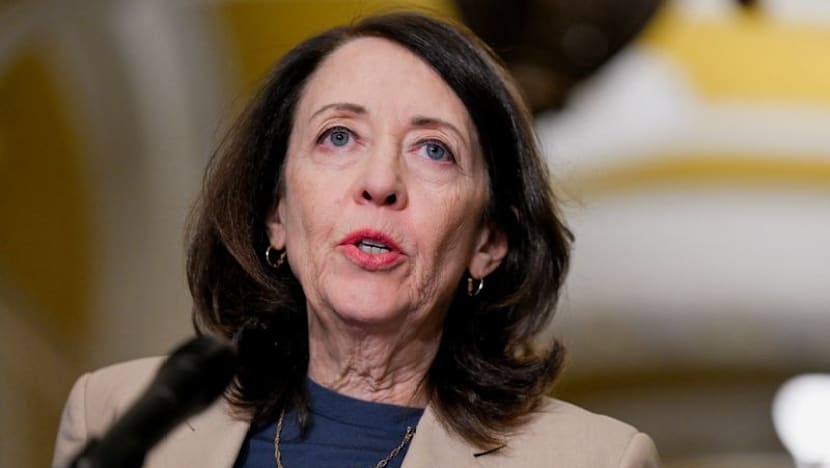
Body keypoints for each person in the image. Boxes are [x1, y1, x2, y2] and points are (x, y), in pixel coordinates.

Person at [52, 11, 660, 468]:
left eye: (433, 150)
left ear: (488, 244)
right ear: (276, 215)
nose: (380, 183)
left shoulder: (597, 460)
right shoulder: (114, 412)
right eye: (338, 136)